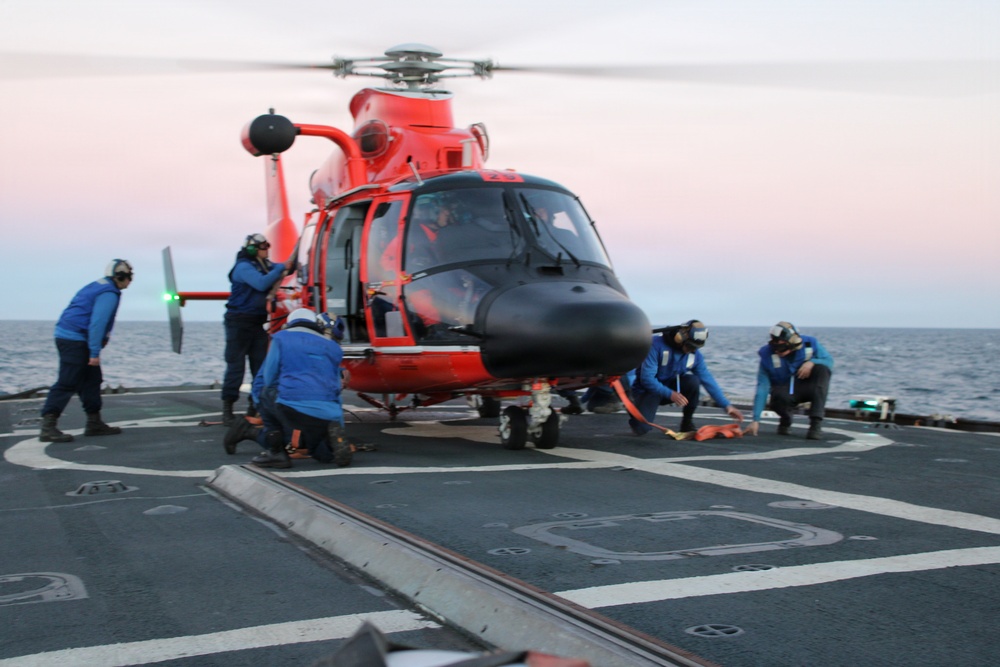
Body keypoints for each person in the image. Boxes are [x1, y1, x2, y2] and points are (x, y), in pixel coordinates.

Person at [224, 308, 350, 468]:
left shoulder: (282, 339)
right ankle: (251, 432)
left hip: (289, 403)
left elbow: (268, 379)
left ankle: (274, 450)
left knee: (312, 447)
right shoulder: (332, 348)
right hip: (311, 408)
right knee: (305, 445)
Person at [38, 259, 134, 442]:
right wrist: (94, 353)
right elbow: (97, 324)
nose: (130, 281)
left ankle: (94, 423)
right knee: (67, 381)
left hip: (72, 336)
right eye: (129, 277)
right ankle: (48, 426)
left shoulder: (98, 286)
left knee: (92, 380)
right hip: (75, 339)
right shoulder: (109, 293)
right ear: (120, 276)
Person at [628, 320, 744, 435]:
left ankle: (687, 423)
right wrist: (670, 394)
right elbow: (647, 379)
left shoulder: (694, 355)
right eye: (690, 346)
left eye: (695, 348)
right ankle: (634, 408)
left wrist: (727, 406)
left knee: (693, 381)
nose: (692, 350)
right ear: (680, 338)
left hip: (670, 390)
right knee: (641, 429)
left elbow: (707, 380)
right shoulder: (656, 345)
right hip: (647, 391)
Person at [221, 233, 285, 425]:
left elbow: (280, 269)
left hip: (256, 323)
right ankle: (228, 410)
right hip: (238, 323)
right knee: (236, 367)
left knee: (261, 367)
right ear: (253, 249)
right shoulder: (243, 267)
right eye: (264, 247)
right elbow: (262, 283)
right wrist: (282, 267)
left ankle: (254, 406)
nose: (267, 250)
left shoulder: (263, 265)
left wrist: (288, 266)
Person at [744, 321, 834, 440]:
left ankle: (815, 424)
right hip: (784, 390)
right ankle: (786, 419)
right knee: (778, 397)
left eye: (781, 348)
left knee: (822, 370)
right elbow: (762, 387)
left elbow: (829, 361)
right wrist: (756, 419)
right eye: (775, 347)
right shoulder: (767, 355)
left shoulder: (810, 344)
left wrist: (813, 362)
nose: (777, 351)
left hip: (808, 386)